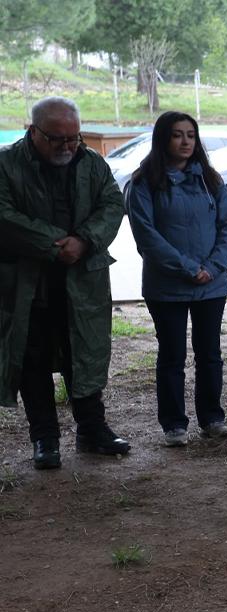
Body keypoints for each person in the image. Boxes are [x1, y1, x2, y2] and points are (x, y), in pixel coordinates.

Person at [0, 96, 130, 470]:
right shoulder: (7, 164)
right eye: (58, 139)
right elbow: (4, 215)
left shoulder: (91, 163)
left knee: (84, 354)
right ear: (33, 133)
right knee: (32, 359)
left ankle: (92, 430)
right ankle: (45, 438)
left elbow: (112, 204)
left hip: (82, 279)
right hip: (27, 284)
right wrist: (54, 245)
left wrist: (85, 240)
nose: (68, 146)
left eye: (74, 138)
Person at [127, 111, 227, 446]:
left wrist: (213, 267)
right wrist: (190, 269)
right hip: (167, 287)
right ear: (163, 138)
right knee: (172, 355)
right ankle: (174, 425)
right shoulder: (144, 182)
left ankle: (212, 417)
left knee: (210, 353)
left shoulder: (211, 180)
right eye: (178, 135)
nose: (186, 141)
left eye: (191, 134)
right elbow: (147, 236)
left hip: (211, 285)